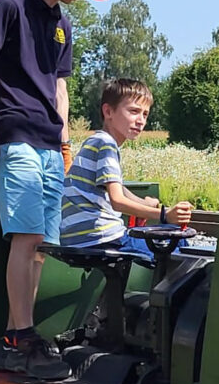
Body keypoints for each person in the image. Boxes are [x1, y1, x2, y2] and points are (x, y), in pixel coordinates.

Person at [0, 0, 109, 380]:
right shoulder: (7, 8)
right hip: (16, 135)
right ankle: (21, 336)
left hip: (49, 143)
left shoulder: (63, 23)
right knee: (25, 237)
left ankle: (15, 337)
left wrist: (66, 142)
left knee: (42, 245)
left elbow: (60, 87)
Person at [60, 79, 193, 257]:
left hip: (80, 238)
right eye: (134, 111)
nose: (141, 121)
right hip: (103, 239)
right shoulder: (106, 144)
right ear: (108, 111)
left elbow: (117, 188)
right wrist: (164, 214)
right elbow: (117, 200)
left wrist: (143, 203)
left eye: (145, 114)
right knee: (178, 242)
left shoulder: (95, 141)